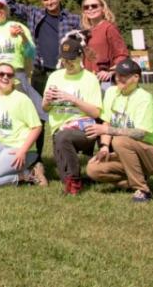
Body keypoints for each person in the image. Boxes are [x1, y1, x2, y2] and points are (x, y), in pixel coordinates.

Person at [5, 0, 82, 149]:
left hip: (64, 73)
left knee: (64, 112)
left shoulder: (73, 19)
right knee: (38, 114)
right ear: (42, 1)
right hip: (40, 71)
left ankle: (65, 152)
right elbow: (9, 2)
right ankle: (37, 156)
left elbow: (86, 40)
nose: (49, 2)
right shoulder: (35, 13)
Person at [85, 58, 153, 202]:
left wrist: (108, 130)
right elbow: (107, 121)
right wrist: (104, 147)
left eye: (124, 76)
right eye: (117, 75)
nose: (118, 79)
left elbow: (140, 133)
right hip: (127, 153)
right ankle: (135, 180)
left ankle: (142, 190)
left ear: (136, 78)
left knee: (120, 140)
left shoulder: (145, 99)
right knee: (93, 169)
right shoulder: (111, 92)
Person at [0, 0, 47, 153]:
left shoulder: (18, 27)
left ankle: (34, 156)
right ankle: (6, 152)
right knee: (1, 117)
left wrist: (23, 36)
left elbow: (31, 53)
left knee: (35, 115)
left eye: (1, 7)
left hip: (17, 75)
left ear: (7, 9)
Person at [43, 35, 103, 195]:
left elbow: (96, 112)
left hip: (84, 129)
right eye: (64, 60)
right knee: (61, 139)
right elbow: (45, 108)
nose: (67, 63)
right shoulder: (55, 77)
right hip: (59, 129)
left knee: (63, 138)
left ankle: (75, 181)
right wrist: (47, 101)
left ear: (80, 57)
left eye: (71, 60)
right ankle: (74, 179)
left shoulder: (90, 79)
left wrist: (73, 99)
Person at [80, 0, 129, 86]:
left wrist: (111, 71)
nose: (90, 9)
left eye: (94, 6)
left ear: (103, 8)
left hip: (105, 81)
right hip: (88, 79)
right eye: (86, 7)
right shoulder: (85, 32)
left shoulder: (109, 28)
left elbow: (122, 54)